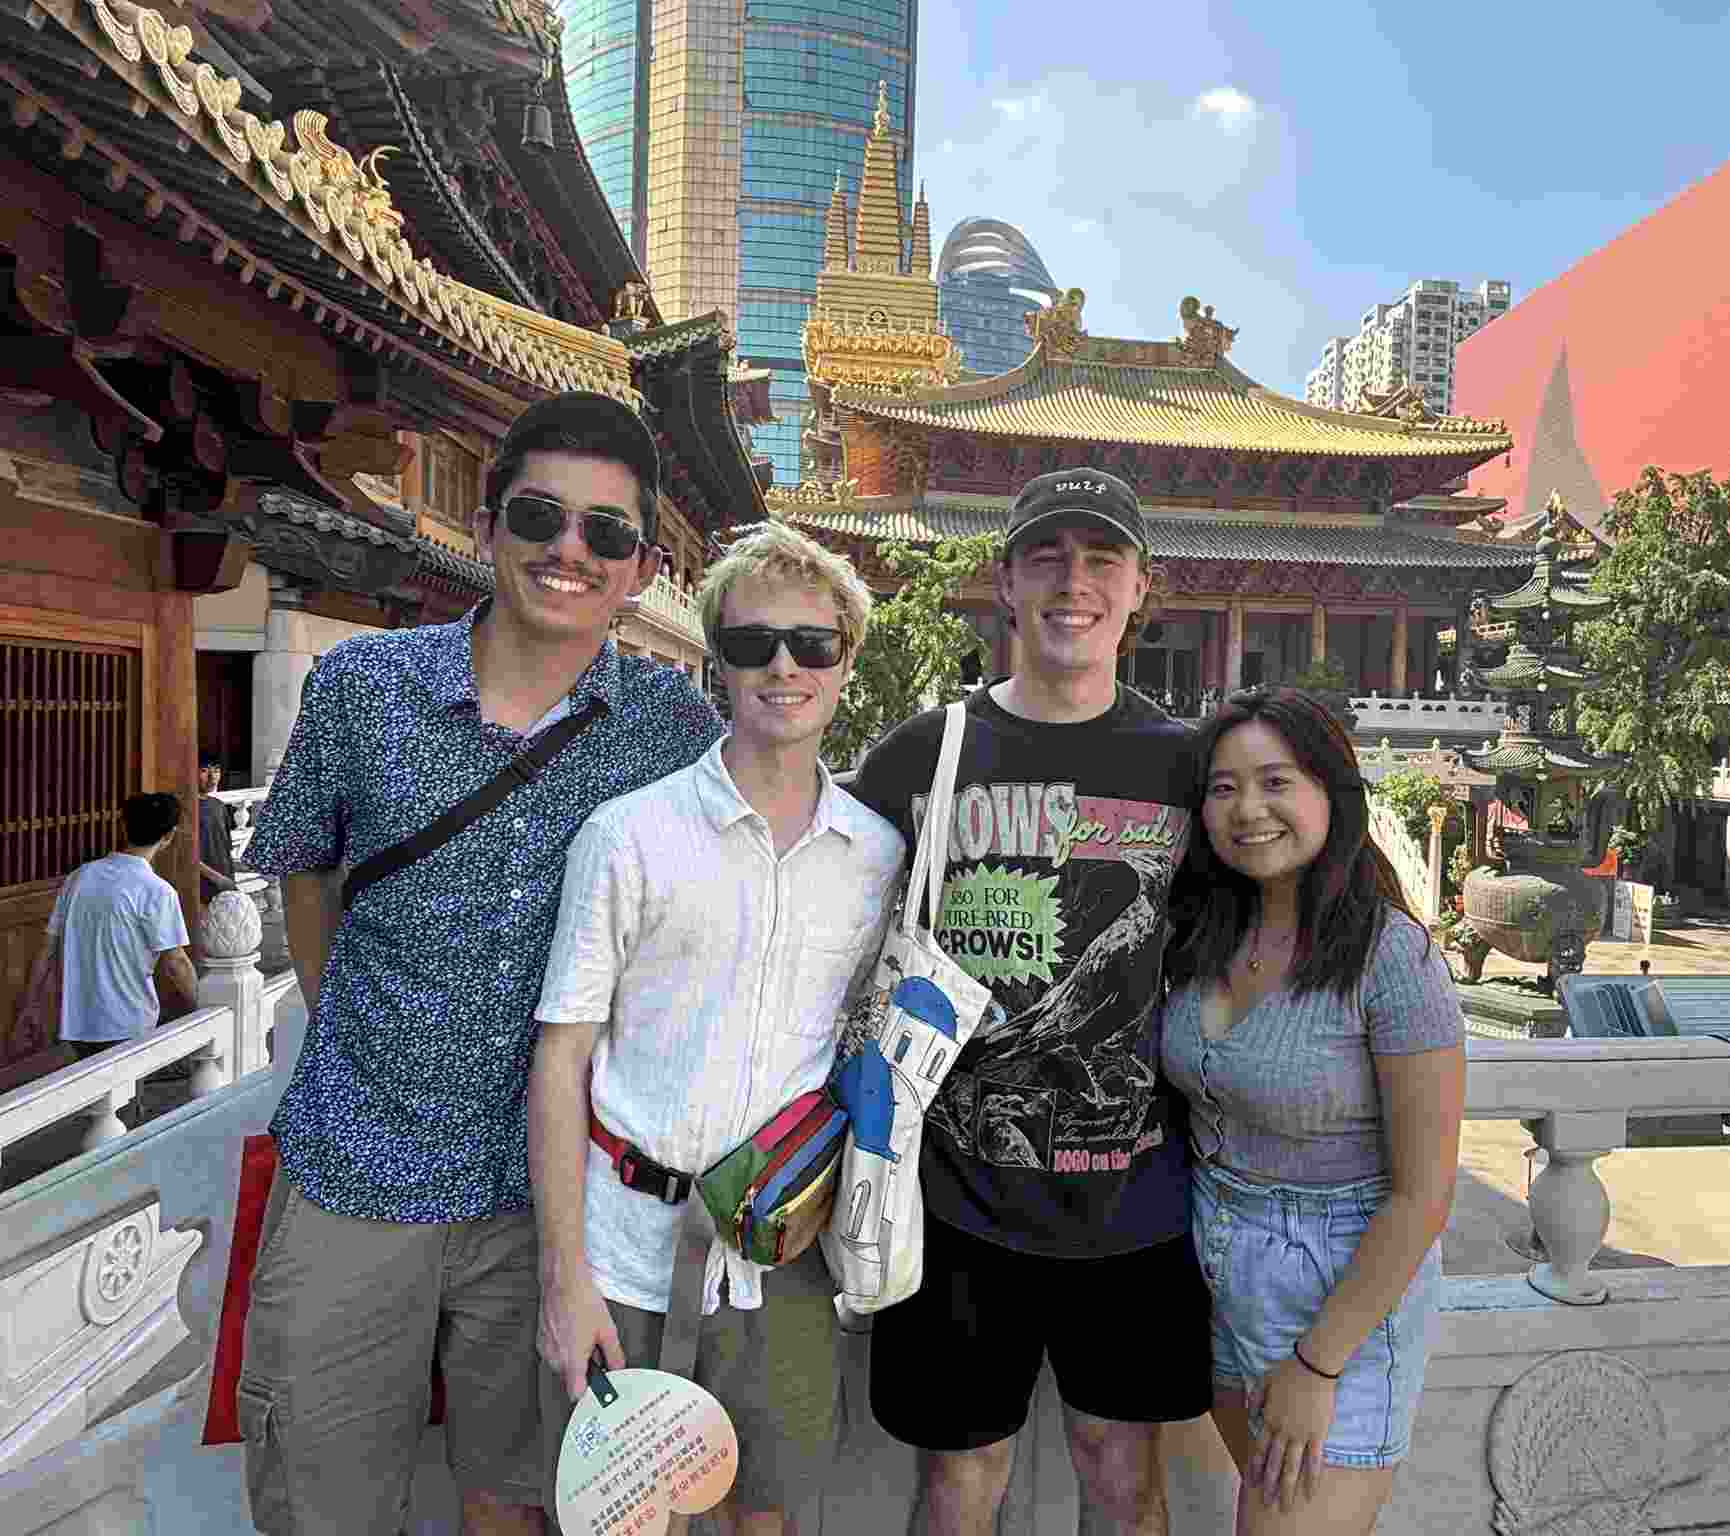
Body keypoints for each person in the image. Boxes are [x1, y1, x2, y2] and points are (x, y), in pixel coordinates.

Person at [236, 392, 723, 1536]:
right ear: (488, 526)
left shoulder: (671, 728)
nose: (571, 551)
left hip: (548, 1208)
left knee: (521, 1502)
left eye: (608, 534)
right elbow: (305, 877)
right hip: (360, 1170)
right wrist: (352, 1030)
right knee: (322, 1496)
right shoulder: (364, 690)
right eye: (541, 517)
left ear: (644, 567)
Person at [849, 468, 1211, 1535]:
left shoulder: (1183, 767)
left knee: (1123, 1483)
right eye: (1047, 557)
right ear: (1004, 582)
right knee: (958, 1488)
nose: (1074, 582)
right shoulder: (919, 758)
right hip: (956, 1206)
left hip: (1136, 1209)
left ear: (1140, 589)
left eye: (1102, 560)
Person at [531, 523, 903, 1534]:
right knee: (619, 1521)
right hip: (620, 1248)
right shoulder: (630, 834)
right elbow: (559, 1056)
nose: (784, 666)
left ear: (844, 662)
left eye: (812, 645)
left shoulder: (875, 856)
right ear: (714, 664)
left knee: (766, 1517)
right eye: (751, 645)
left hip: (777, 1246)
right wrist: (565, 1283)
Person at [1163, 689, 1464, 1533]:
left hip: (1339, 1297)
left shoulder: (1391, 958)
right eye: (1223, 789)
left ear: (1333, 792)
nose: (1248, 810)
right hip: (1217, 1271)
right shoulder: (1203, 935)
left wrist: (1317, 1365)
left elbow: (1423, 1195)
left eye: (1275, 781)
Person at [17, 792, 198, 1062]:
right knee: (124, 1101)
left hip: (77, 1023)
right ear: (169, 836)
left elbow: (47, 950)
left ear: (123, 826)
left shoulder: (79, 877)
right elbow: (176, 964)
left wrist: (30, 1006)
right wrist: (205, 1005)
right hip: (127, 1021)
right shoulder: (157, 891)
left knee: (88, 1100)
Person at [197, 753, 239, 906]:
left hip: (225, 885)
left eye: (216, 770)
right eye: (204, 770)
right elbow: (186, 854)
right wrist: (217, 878)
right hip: (200, 886)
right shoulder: (187, 808)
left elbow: (224, 850)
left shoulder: (219, 806)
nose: (212, 776)